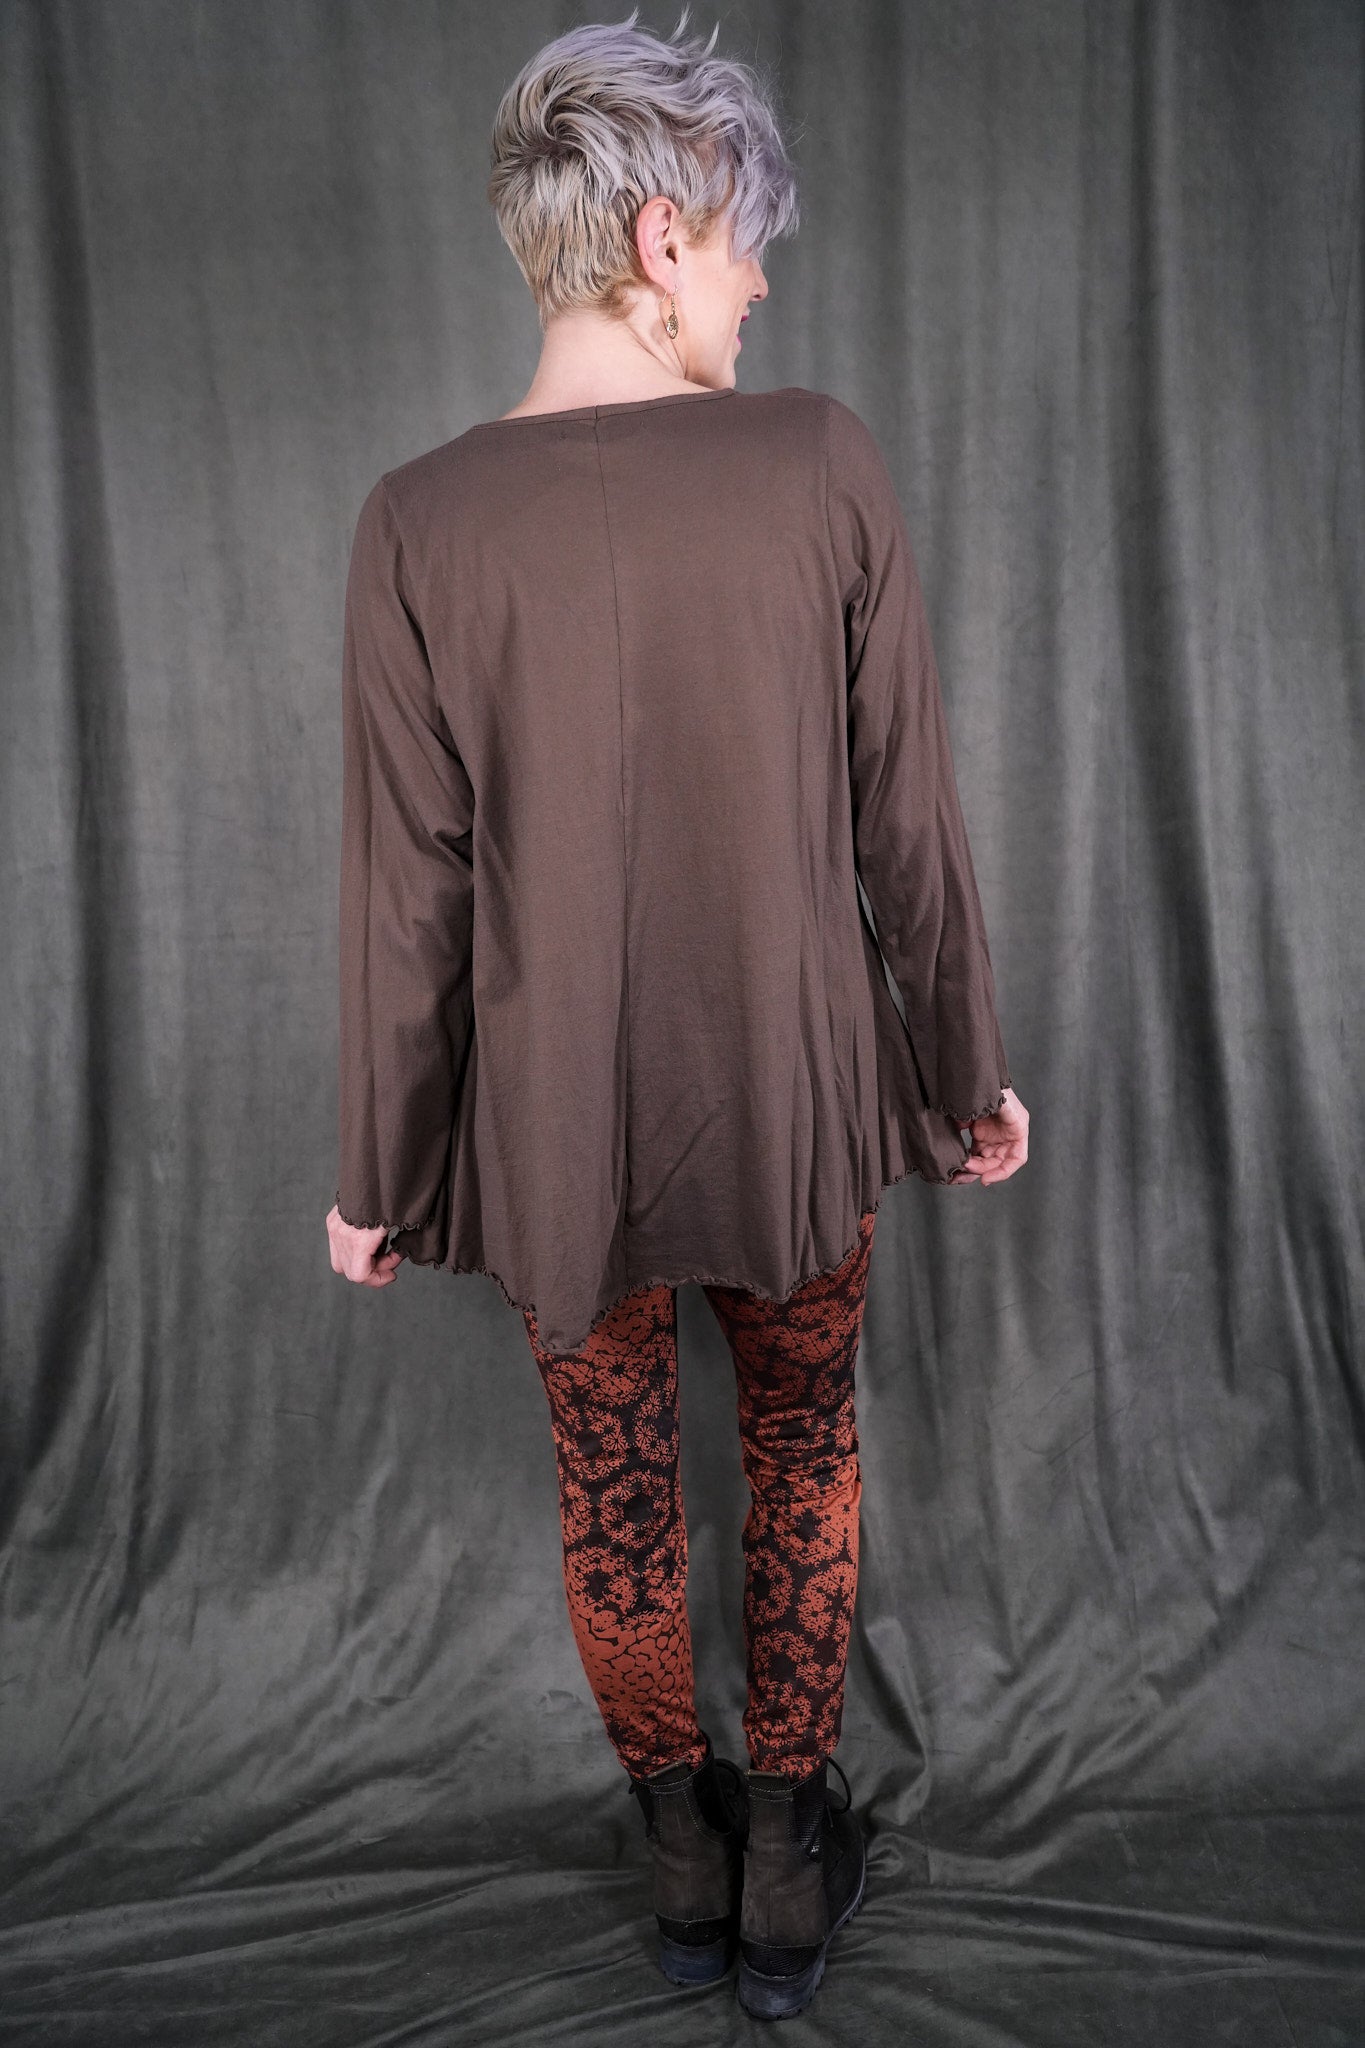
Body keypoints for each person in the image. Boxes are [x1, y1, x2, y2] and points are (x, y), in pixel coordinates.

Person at [325, 8, 1028, 2021]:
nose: (759, 283)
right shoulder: (818, 457)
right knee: (801, 1443)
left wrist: (378, 1175)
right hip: (799, 1105)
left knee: (614, 1485)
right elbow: (904, 821)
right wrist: (959, 1071)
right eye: (743, 243)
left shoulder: (414, 521)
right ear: (660, 233)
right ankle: (788, 1860)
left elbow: (408, 899)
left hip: (549, 1135)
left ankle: (679, 1853)